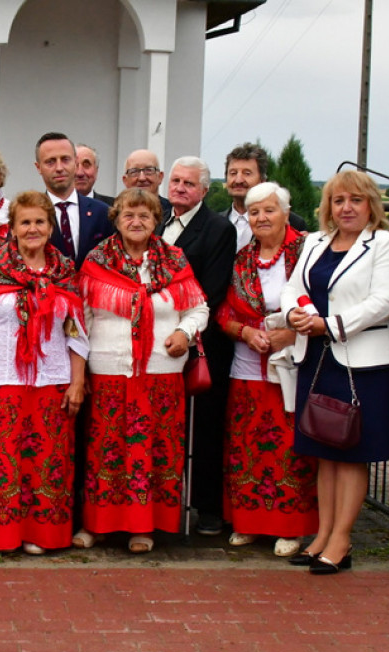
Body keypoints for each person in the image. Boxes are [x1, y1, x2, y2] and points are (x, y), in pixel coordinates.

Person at [282, 169, 389, 574]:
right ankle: (322, 534)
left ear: (371, 204)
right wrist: (295, 313)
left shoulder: (385, 243)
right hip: (316, 355)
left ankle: (342, 540)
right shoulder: (315, 242)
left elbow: (384, 301)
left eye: (355, 200)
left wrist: (329, 325)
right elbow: (291, 286)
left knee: (351, 452)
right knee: (323, 450)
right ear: (327, 207)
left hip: (362, 360)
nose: (346, 208)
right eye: (338, 200)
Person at [76, 188, 208, 553]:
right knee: (105, 451)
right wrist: (80, 369)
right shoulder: (96, 262)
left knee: (153, 451)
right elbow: (81, 319)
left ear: (156, 221)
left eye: (145, 216)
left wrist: (184, 332)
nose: (136, 222)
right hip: (108, 374)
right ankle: (98, 526)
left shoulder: (174, 261)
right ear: (116, 220)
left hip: (160, 374)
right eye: (128, 215)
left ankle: (144, 528)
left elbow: (199, 309)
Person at [0, 190, 88, 554]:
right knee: (3, 458)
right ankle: (1, 534)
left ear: (50, 227)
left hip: (52, 380)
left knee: (46, 460)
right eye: (25, 222)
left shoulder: (63, 271)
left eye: (39, 222)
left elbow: (75, 331)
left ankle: (40, 534)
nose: (33, 228)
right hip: (2, 380)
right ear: (12, 229)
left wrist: (77, 382)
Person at [217, 182, 317, 557]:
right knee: (247, 446)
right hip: (247, 367)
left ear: (286, 212)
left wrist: (290, 335)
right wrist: (243, 331)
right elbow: (224, 310)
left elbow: (323, 301)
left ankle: (290, 527)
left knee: (290, 449)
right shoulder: (242, 258)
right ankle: (249, 523)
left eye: (269, 210)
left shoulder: (307, 250)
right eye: (254, 211)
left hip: (294, 367)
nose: (261, 217)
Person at [160, 155, 237, 536]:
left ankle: (207, 507)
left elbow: (212, 287)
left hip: (201, 341)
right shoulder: (159, 221)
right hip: (158, 340)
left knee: (204, 425)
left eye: (189, 183)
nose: (180, 188)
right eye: (175, 181)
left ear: (205, 190)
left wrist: (178, 321)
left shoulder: (217, 228)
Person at [35, 132, 115, 269]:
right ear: (38, 167)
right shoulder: (29, 215)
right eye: (50, 162)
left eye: (65, 159)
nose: (59, 168)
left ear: (75, 162)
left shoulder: (103, 213)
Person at [222, 143, 307, 253]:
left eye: (247, 173)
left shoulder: (292, 222)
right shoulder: (214, 225)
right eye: (233, 173)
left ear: (262, 180)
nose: (238, 180)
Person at [122, 149, 172, 217]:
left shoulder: (173, 212)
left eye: (148, 170)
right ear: (125, 180)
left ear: (160, 177)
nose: (142, 178)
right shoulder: (114, 213)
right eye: (134, 171)